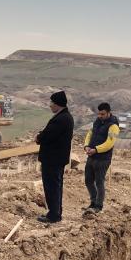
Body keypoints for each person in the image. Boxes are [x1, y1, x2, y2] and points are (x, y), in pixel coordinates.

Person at [35, 91, 74, 223]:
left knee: (51, 186)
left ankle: (53, 215)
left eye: (51, 102)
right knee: (55, 185)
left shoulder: (61, 119)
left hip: (52, 159)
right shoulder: (65, 117)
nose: (50, 105)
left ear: (57, 104)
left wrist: (39, 137)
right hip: (56, 158)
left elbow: (48, 135)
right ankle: (56, 211)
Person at [83, 102, 120, 213]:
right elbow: (90, 133)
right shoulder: (97, 122)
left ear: (108, 113)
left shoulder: (113, 126)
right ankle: (93, 202)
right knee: (88, 180)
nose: (100, 116)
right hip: (92, 156)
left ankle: (98, 206)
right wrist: (86, 146)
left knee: (99, 182)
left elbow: (110, 143)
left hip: (103, 159)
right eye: (99, 114)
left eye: (102, 114)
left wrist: (96, 149)